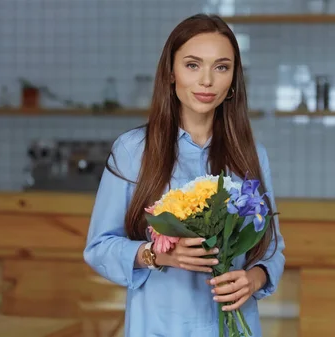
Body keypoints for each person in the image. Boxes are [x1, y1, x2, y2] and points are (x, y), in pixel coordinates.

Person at [83, 13, 285, 337]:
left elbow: (271, 249)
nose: (207, 81)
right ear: (171, 74)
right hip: (160, 327)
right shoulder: (133, 150)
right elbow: (99, 247)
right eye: (193, 65)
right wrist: (156, 254)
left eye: (221, 67)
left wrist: (254, 279)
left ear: (233, 81)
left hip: (234, 327)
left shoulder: (251, 154)